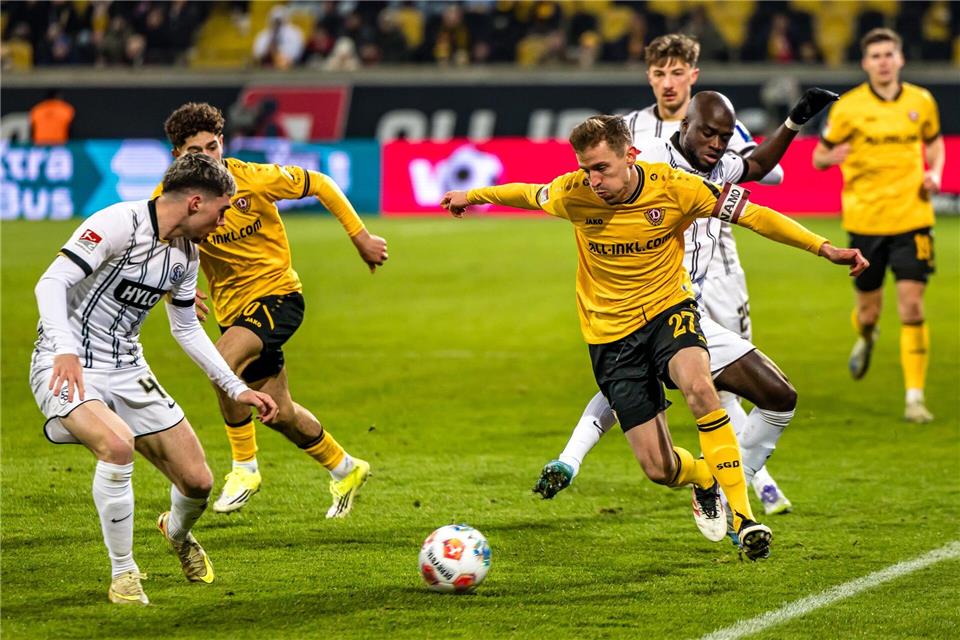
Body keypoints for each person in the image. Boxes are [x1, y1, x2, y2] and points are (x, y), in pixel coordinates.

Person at [441, 115, 868, 560]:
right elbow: (527, 193)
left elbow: (754, 215)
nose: (594, 179)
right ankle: (704, 478)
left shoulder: (675, 186)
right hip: (610, 336)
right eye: (587, 168)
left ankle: (743, 519)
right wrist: (470, 195)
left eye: (602, 168)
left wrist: (823, 248)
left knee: (700, 387)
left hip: (669, 309)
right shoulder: (574, 193)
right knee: (659, 468)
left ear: (631, 156)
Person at [534, 88, 837, 539]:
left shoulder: (716, 166)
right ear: (685, 129)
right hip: (652, 304)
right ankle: (727, 499)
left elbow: (757, 169)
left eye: (723, 137)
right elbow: (569, 188)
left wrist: (794, 121)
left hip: (693, 301)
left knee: (777, 395)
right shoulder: (652, 161)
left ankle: (722, 481)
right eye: (709, 134)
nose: (717, 144)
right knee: (648, 385)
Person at [30, 153, 279, 605]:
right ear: (196, 202)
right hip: (66, 361)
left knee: (199, 482)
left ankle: (177, 533)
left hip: (128, 367)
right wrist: (64, 347)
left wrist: (235, 386)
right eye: (222, 210)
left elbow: (186, 328)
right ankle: (123, 574)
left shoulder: (186, 255)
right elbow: (51, 283)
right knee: (118, 444)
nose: (223, 221)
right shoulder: (117, 223)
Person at [158, 102, 388, 516]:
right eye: (197, 151)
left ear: (222, 143)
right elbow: (160, 245)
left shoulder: (252, 178)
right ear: (178, 155)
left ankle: (244, 467)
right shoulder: (171, 198)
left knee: (220, 363)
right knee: (280, 412)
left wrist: (360, 237)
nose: (209, 157)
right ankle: (345, 467)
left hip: (278, 296)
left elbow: (320, 183)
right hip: (234, 312)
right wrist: (176, 289)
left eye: (214, 146)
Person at [813, 28, 944, 424]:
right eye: (876, 56)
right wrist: (833, 154)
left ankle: (914, 398)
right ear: (865, 63)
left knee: (913, 305)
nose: (883, 61)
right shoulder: (849, 108)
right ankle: (867, 337)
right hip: (866, 221)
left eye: (890, 54)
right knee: (869, 312)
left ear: (900, 59)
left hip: (913, 218)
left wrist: (935, 172)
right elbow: (818, 157)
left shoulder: (922, 101)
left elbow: (934, 143)